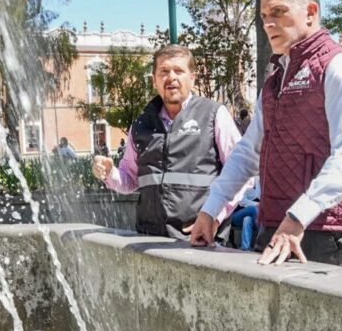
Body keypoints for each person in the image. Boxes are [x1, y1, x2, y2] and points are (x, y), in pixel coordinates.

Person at [190, 0, 342, 267]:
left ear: (311, 13)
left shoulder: (341, 68)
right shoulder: (275, 81)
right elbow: (248, 152)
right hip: (275, 224)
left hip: (319, 230)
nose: (268, 24)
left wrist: (298, 217)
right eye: (264, 16)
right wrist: (211, 210)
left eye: (278, 12)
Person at [92, 44, 244, 241]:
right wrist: (110, 173)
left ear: (192, 77)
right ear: (154, 79)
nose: (171, 77)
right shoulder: (140, 124)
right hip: (148, 240)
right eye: (163, 71)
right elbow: (130, 180)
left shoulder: (214, 115)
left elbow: (241, 173)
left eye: (179, 71)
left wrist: (215, 216)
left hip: (200, 241)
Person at [230, 177, 260, 251]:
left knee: (247, 219)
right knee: (254, 209)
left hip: (254, 216)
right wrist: (257, 204)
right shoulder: (245, 183)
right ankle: (262, 236)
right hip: (237, 214)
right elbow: (242, 201)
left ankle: (245, 247)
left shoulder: (260, 182)